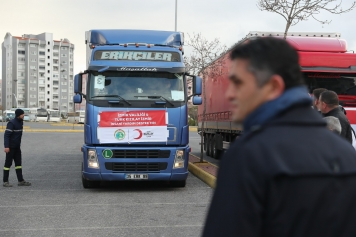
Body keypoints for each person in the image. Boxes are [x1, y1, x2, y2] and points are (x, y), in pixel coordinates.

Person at [202, 37, 356, 236]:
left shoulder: (249, 156)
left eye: (238, 83)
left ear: (273, 86)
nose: (229, 94)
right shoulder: (346, 155)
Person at [3, 109, 31, 187]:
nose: (23, 115)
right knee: (7, 165)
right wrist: (7, 146)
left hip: (17, 148)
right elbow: (7, 135)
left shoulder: (21, 122)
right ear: (18, 115)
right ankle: (5, 181)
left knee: (18, 164)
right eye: (22, 114)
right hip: (10, 148)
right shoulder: (11, 123)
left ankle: (20, 180)